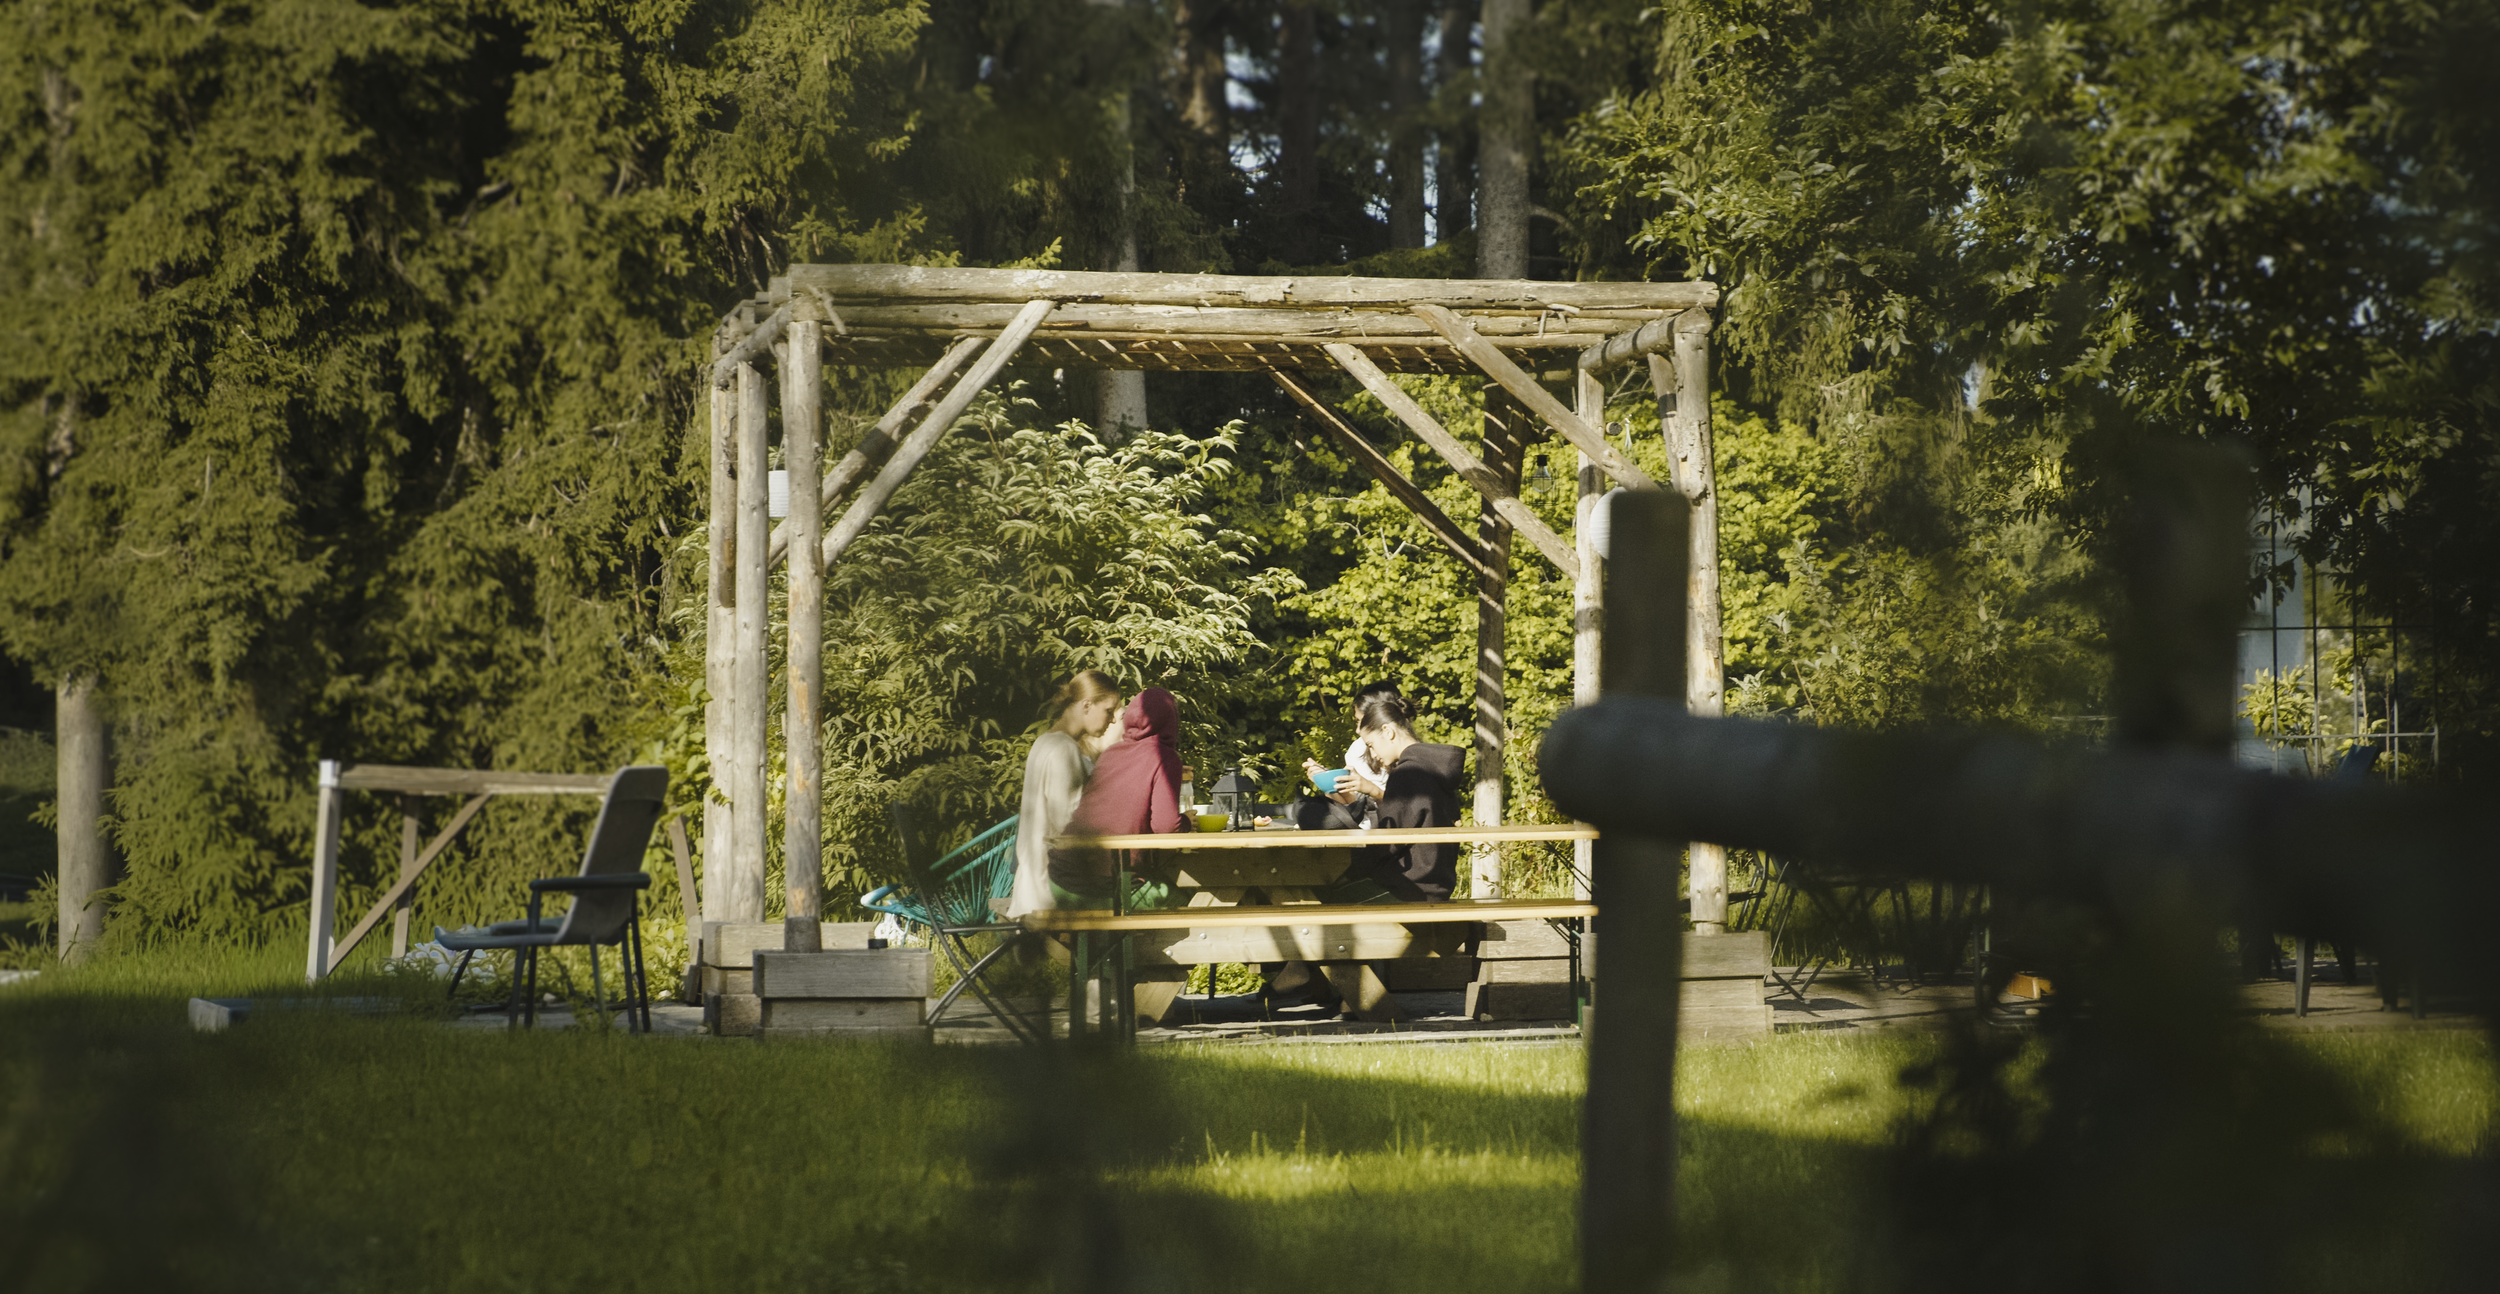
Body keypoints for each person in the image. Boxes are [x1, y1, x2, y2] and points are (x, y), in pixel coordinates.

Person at [1051, 687, 1186, 908]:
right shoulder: (1164, 757)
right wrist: (1188, 821)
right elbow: (1167, 827)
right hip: (1108, 887)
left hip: (1058, 878)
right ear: (1170, 721)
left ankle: (1100, 943)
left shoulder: (1111, 753)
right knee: (1183, 904)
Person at [1007, 670, 1124, 920]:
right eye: (1109, 710)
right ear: (1087, 705)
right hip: (1051, 887)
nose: (1113, 720)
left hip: (1033, 880)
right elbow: (1071, 827)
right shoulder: (1063, 750)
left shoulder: (1047, 742)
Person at [1345, 692, 1466, 902]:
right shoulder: (1433, 767)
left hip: (1408, 888)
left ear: (1388, 731)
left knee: (1329, 897)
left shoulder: (1407, 774)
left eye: (1371, 745)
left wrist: (1348, 864)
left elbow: (1388, 842)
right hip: (1436, 883)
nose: (1372, 755)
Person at [1296, 679, 1402, 829]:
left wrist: (1374, 791)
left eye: (1361, 721)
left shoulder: (1409, 755)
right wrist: (1326, 782)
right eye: (1356, 721)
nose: (1358, 730)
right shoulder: (1357, 749)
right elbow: (1352, 805)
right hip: (1361, 832)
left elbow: (1409, 808)